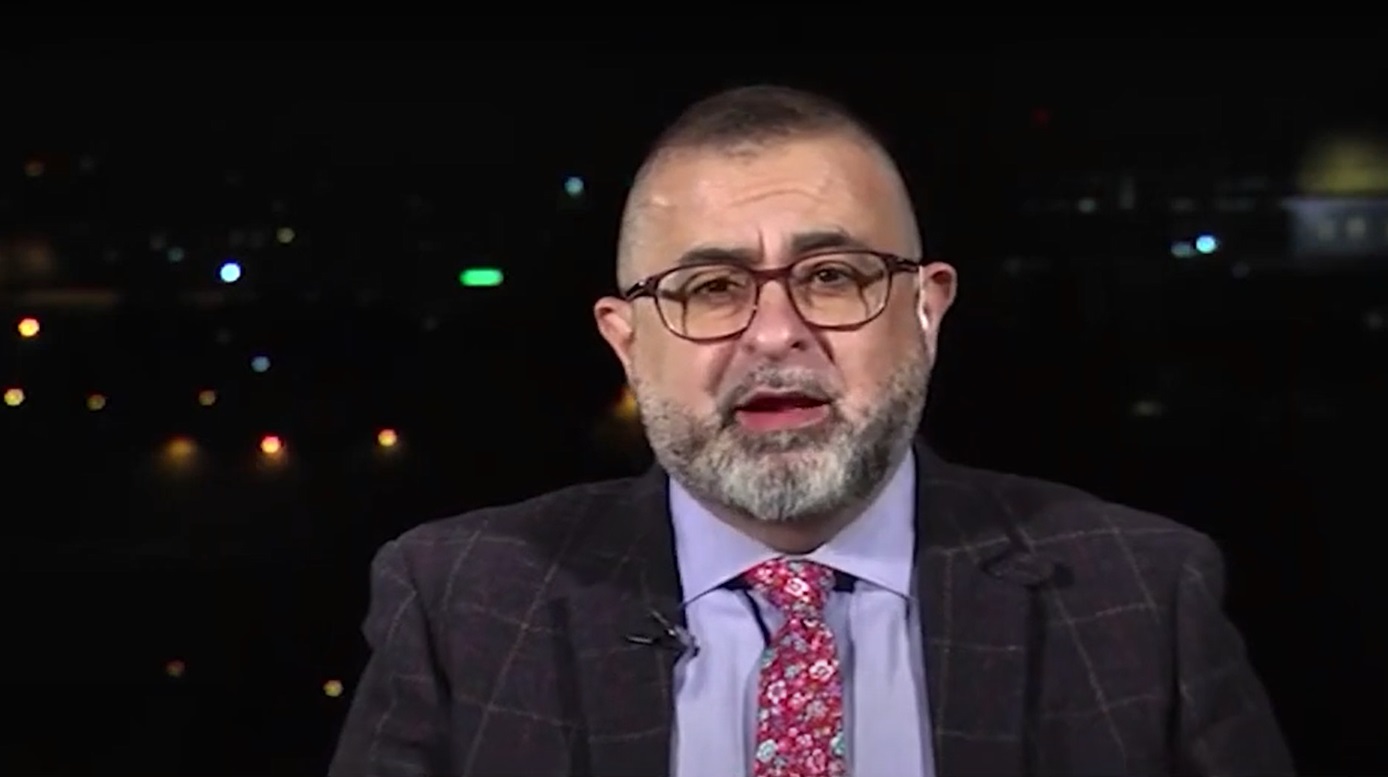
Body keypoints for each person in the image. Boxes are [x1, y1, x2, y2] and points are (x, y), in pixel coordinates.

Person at [329, 84, 1294, 777]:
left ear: (926, 309)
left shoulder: (1145, 598)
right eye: (711, 287)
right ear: (626, 341)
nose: (775, 332)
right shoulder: (459, 605)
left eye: (832, 277)